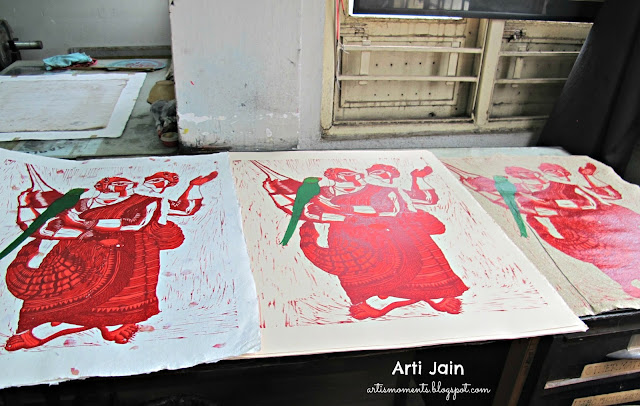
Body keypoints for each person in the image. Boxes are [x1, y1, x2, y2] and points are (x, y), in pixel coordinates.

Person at [4, 169, 217, 351]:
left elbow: (173, 211)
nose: (159, 185)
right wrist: (47, 213)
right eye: (117, 184)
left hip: (127, 251)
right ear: (104, 186)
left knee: (116, 295)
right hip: (81, 249)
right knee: (58, 289)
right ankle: (52, 327)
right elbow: (54, 222)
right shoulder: (83, 204)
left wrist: (193, 187)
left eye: (164, 182)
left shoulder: (150, 202)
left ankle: (100, 325)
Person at [262, 164, 468, 320]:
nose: (386, 176)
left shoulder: (385, 191)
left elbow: (423, 200)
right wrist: (277, 191)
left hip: (391, 230)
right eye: (380, 173)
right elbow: (306, 208)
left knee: (420, 259)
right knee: (357, 262)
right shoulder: (329, 194)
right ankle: (368, 300)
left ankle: (438, 295)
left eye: (389, 174)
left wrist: (417, 179)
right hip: (354, 233)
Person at [449, 161, 640, 297]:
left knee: (625, 255)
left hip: (612, 224)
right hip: (583, 234)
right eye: (522, 177)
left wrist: (588, 178)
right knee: (609, 261)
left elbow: (597, 199)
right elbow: (517, 206)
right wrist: (479, 186)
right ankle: (627, 283)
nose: (531, 179)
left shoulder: (565, 188)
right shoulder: (530, 197)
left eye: (533, 175)